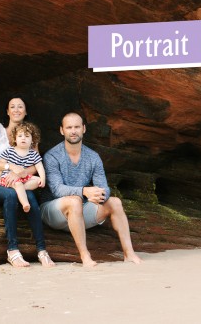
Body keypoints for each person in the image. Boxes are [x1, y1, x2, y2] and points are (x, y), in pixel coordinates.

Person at [40, 112, 142, 267]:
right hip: (54, 211)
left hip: (79, 212)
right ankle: (85, 256)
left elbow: (104, 188)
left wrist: (99, 196)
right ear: (62, 130)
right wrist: (84, 191)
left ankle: (129, 253)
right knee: (74, 201)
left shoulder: (93, 157)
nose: (73, 131)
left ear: (84, 129)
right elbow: (56, 190)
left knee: (114, 202)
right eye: (69, 127)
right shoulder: (52, 156)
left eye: (77, 127)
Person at [0, 96, 55, 268]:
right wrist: (9, 167)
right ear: (7, 111)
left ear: (26, 111)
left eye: (21, 106)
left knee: (32, 199)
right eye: (12, 106)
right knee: (11, 195)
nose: (17, 110)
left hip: (19, 180)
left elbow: (35, 164)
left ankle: (42, 250)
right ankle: (12, 251)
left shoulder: (29, 134)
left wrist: (19, 175)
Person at [0, 122, 46, 213]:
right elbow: (1, 164)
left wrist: (43, 179)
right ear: (15, 139)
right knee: (18, 184)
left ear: (32, 140)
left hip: (23, 178)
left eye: (27, 136)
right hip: (8, 178)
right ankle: (25, 203)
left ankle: (20, 190)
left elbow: (39, 167)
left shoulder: (33, 154)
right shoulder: (9, 151)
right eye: (20, 136)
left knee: (37, 181)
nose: (23, 138)